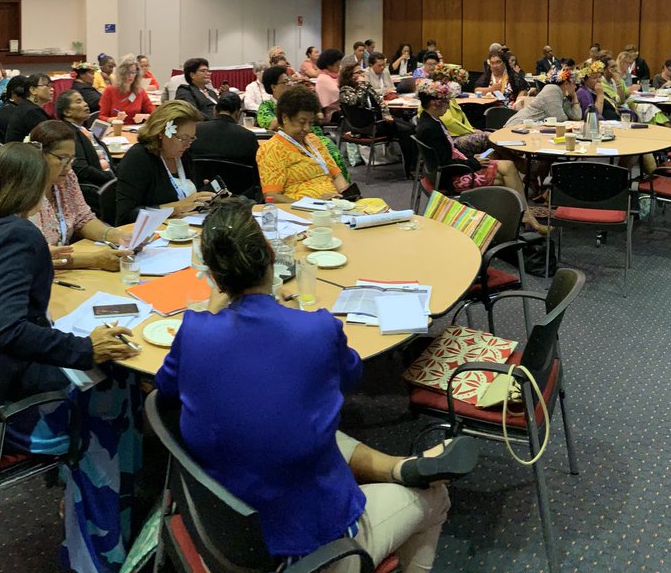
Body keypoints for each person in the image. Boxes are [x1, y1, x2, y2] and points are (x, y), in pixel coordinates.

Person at [156, 198, 477, 566]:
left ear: (212, 276)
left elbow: (167, 388)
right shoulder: (316, 328)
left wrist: (217, 311)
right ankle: (404, 487)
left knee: (286, 419)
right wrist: (298, 319)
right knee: (436, 498)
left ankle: (397, 468)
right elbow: (352, 375)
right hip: (309, 549)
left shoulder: (194, 329)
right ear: (272, 261)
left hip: (218, 525)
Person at [0, 143, 142, 573]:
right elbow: (4, 329)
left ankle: (104, 500)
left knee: (106, 374)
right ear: (34, 184)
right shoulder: (21, 234)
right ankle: (97, 549)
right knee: (116, 386)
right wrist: (84, 348)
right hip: (9, 409)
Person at [413, 80, 546, 233]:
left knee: (506, 173)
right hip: (451, 177)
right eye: (446, 102)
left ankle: (517, 216)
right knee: (508, 168)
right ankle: (524, 215)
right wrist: (473, 162)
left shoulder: (428, 121)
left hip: (445, 172)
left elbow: (446, 154)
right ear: (435, 103)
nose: (449, 105)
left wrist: (469, 158)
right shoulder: (430, 128)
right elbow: (445, 164)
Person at [26, 120, 131, 271]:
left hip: (66, 269)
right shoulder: (24, 189)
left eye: (71, 159)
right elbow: (35, 255)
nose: (68, 167)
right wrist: (93, 260)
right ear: (40, 154)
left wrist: (117, 235)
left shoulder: (67, 178)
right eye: (62, 158)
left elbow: (83, 218)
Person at [115, 100, 215, 225]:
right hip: (149, 236)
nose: (188, 144)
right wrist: (174, 208)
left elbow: (186, 194)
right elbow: (126, 216)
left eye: (192, 138)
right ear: (161, 133)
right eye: (183, 138)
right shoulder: (139, 158)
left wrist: (205, 198)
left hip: (185, 229)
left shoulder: (183, 155)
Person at [258, 86, 354, 202]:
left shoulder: (313, 140)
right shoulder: (272, 150)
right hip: (302, 211)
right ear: (285, 118)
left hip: (333, 205)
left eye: (310, 122)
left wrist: (346, 196)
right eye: (302, 122)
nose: (307, 128)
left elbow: (337, 175)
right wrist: (315, 203)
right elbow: (272, 196)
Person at [256, 64, 350, 181]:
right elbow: (271, 124)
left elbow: (318, 115)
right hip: (292, 143)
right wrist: (289, 111)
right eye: (285, 82)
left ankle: (344, 189)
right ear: (273, 87)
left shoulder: (298, 102)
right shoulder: (267, 106)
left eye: (289, 81)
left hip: (315, 139)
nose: (289, 85)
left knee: (333, 154)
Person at [338, 63, 416, 177]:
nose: (361, 75)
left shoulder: (364, 86)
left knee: (411, 127)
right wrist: (362, 84)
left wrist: (386, 114)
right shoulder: (345, 91)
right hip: (364, 127)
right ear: (349, 76)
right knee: (406, 131)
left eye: (361, 72)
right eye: (358, 73)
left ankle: (415, 164)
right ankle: (410, 169)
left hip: (377, 120)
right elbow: (359, 102)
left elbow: (380, 102)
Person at [55, 89, 116, 195]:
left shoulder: (83, 129)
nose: (85, 104)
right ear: (67, 112)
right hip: (99, 187)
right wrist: (112, 177)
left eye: (84, 100)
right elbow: (82, 169)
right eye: (78, 102)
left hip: (109, 179)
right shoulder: (69, 134)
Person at [192, 92, 261, 178]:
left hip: (199, 186)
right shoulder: (248, 137)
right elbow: (258, 171)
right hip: (240, 189)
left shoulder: (195, 130)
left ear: (215, 110)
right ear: (238, 113)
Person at [509, 66, 583, 125]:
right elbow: (560, 119)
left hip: (531, 128)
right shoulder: (552, 90)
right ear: (566, 83)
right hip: (519, 124)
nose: (576, 87)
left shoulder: (563, 97)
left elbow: (577, 117)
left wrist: (574, 97)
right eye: (575, 84)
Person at [99, 54, 155, 125]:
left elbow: (154, 113)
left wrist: (145, 116)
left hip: (134, 130)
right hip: (116, 130)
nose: (130, 76)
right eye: (127, 72)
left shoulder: (139, 91)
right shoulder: (110, 90)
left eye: (133, 72)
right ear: (121, 73)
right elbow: (101, 117)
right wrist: (115, 119)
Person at [0, 75, 51, 144]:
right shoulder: (32, 112)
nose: (52, 89)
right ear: (33, 90)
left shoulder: (25, 106)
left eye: (51, 86)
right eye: (47, 85)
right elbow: (50, 139)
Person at [314, 48, 343, 113]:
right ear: (329, 65)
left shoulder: (334, 76)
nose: (339, 67)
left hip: (339, 110)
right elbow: (337, 94)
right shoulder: (323, 78)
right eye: (337, 65)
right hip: (331, 113)